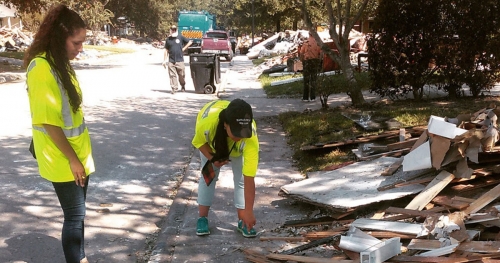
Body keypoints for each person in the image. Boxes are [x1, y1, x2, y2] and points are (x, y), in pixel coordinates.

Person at [24, 4, 95, 263]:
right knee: (74, 217)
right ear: (58, 37)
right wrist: (73, 160)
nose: (80, 48)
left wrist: (80, 158)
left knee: (79, 216)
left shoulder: (60, 63)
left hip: (77, 155)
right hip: (63, 157)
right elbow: (49, 123)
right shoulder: (42, 68)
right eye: (76, 43)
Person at [192, 99, 259, 238]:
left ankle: (243, 221)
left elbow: (249, 177)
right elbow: (199, 142)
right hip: (211, 144)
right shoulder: (207, 125)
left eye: (243, 133)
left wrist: (249, 212)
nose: (240, 137)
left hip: (237, 151)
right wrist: (213, 159)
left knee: (240, 178)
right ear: (225, 125)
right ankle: (202, 219)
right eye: (236, 133)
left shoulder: (250, 137)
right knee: (208, 178)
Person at [162, 25, 192, 94]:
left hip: (180, 60)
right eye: (172, 29)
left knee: (181, 75)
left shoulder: (180, 37)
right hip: (171, 61)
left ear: (176, 30)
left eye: (174, 29)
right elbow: (166, 50)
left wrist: (184, 48)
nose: (173, 30)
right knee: (172, 75)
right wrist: (164, 60)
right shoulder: (168, 39)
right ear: (170, 30)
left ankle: (183, 85)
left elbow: (190, 42)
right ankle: (174, 88)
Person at [299, 31, 322, 102]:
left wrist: (302, 61)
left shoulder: (306, 42)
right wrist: (319, 62)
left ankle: (305, 97)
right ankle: (313, 97)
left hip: (307, 61)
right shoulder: (317, 43)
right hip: (315, 61)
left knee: (306, 80)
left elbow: (301, 53)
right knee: (313, 79)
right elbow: (320, 54)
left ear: (309, 34)